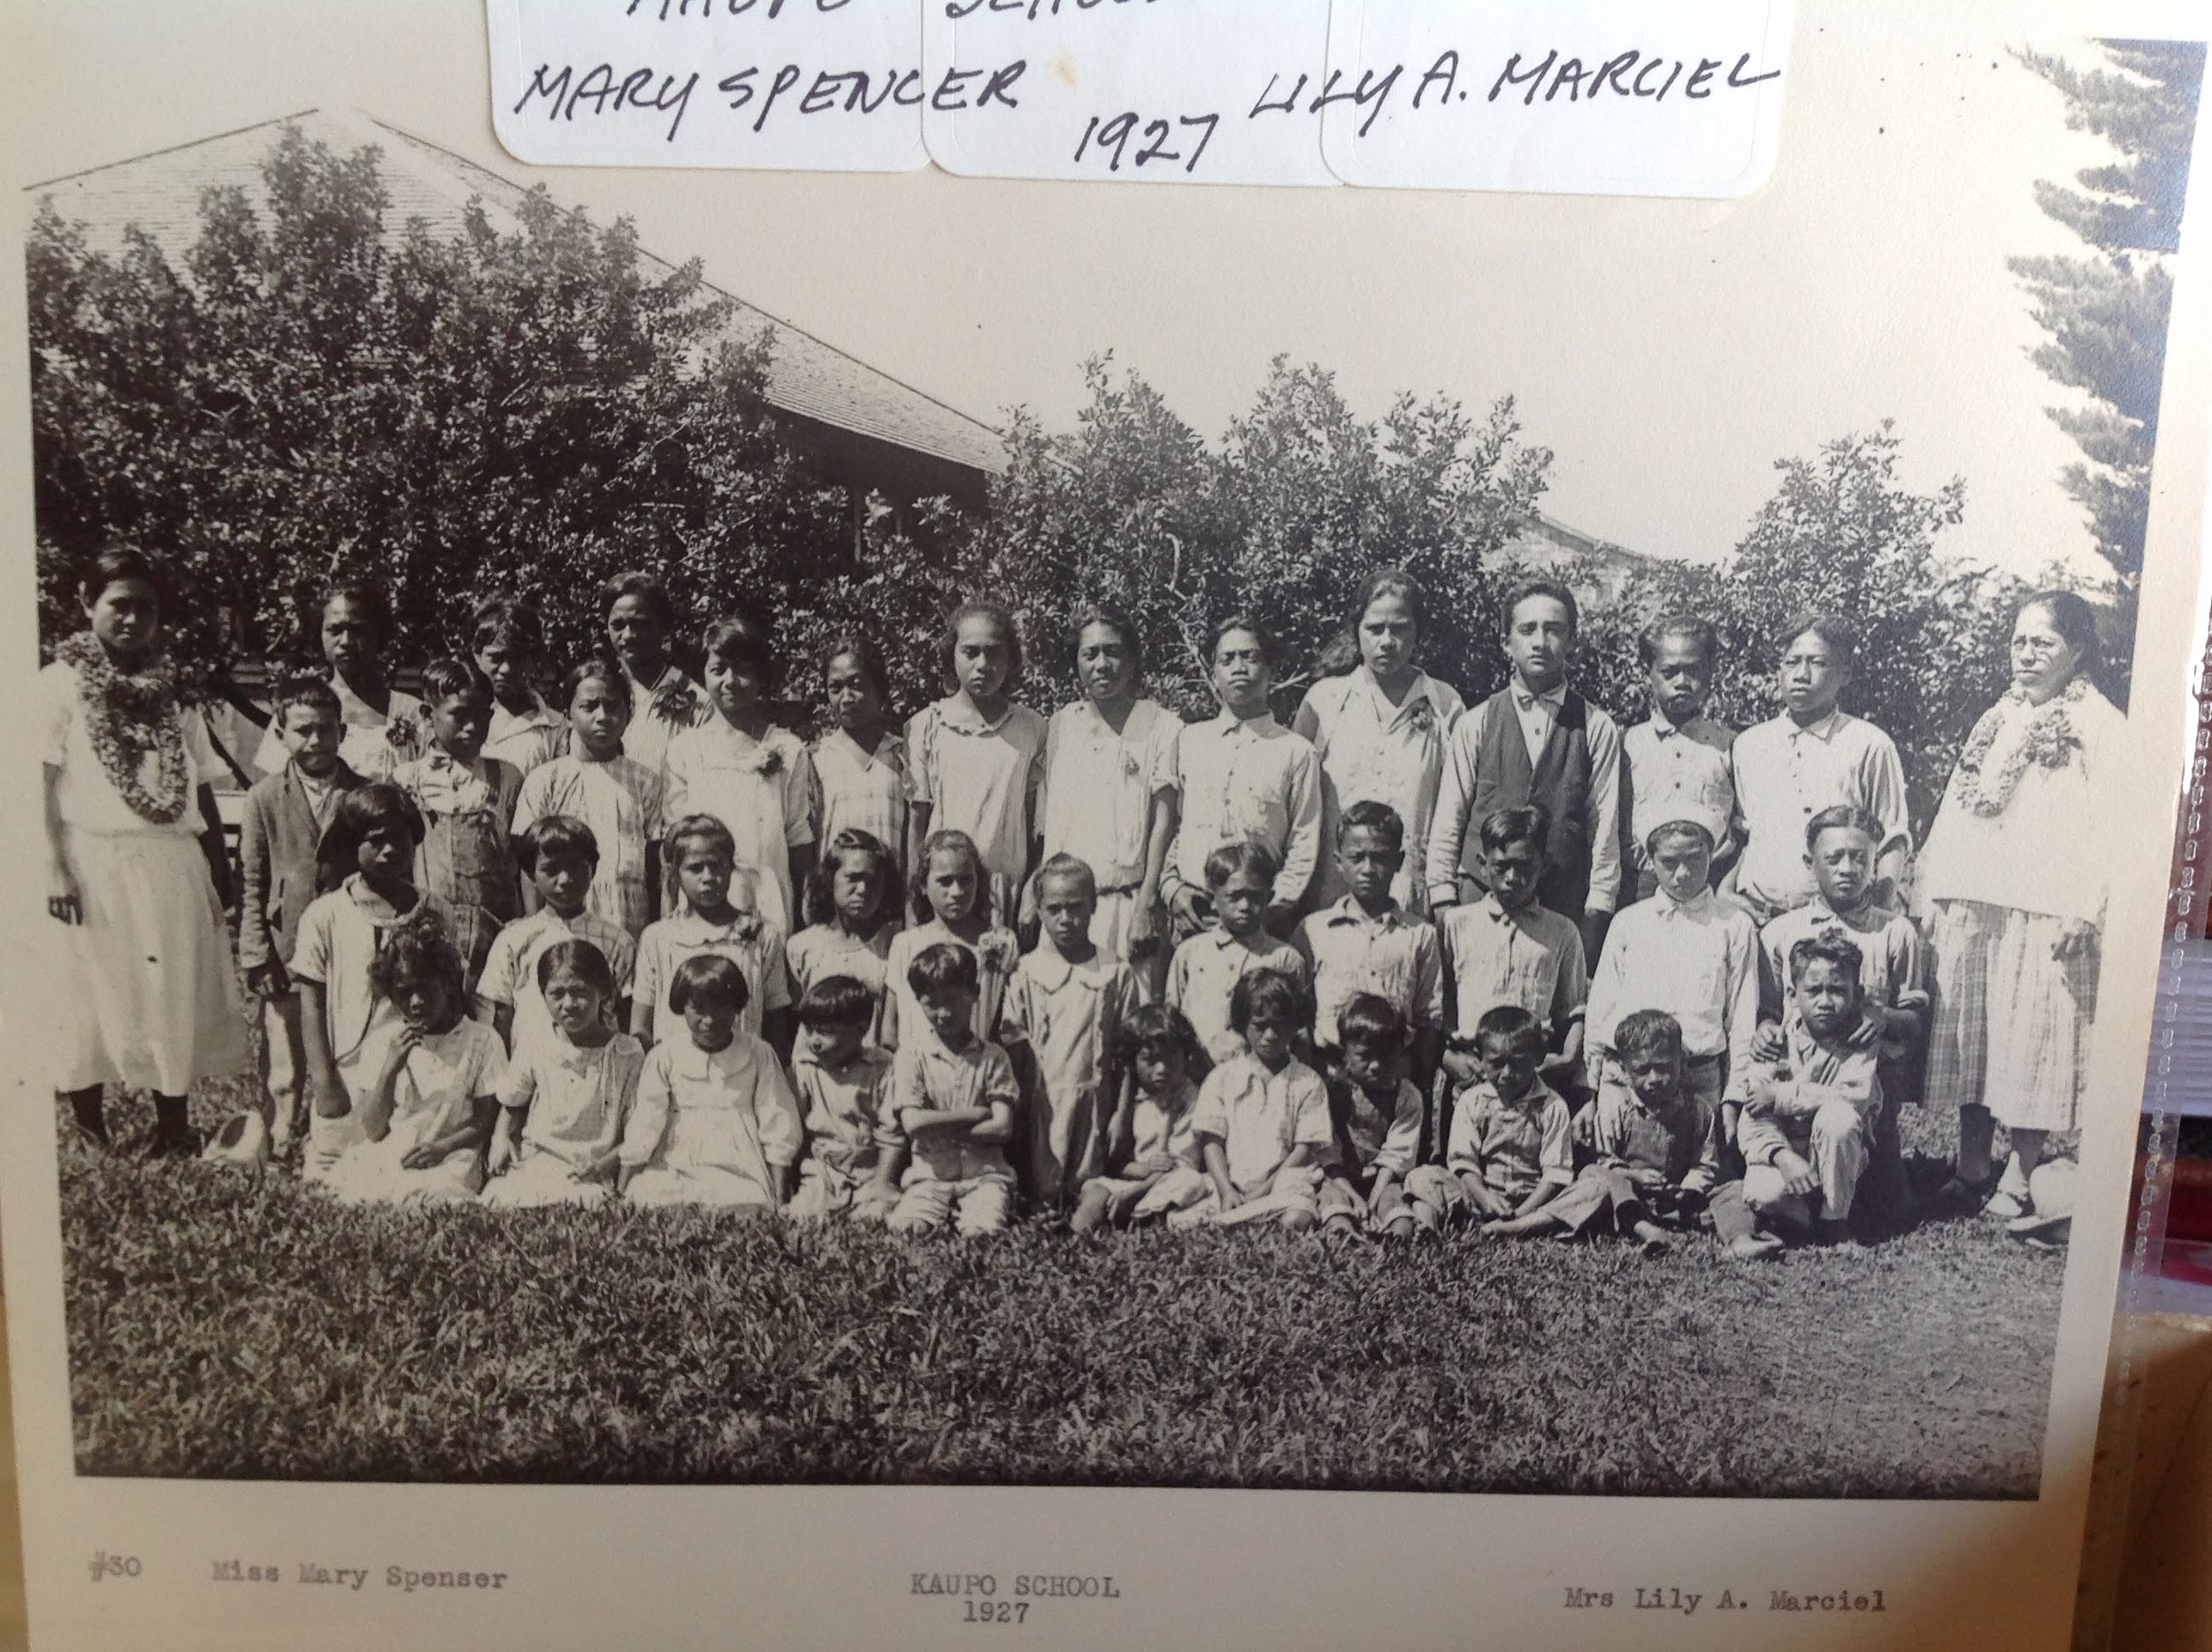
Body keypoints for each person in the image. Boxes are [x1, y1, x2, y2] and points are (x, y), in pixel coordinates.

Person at [1920, 590, 2123, 1226]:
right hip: (1981, 905)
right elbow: (1959, 805)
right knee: (1977, 1042)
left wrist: (2086, 910)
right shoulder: (1996, 716)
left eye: (2044, 642)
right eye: (2019, 641)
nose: (2027, 654)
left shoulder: (2100, 724)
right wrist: (1934, 889)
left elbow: (2117, 830)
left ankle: (2021, 1173)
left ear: (2079, 650)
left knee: (2034, 1043)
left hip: (2047, 910)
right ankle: (1971, 1165)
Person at [42, 546, 251, 1155]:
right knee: (92, 987)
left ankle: (173, 1125)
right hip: (93, 856)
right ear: (87, 603)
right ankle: (90, 1126)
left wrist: (218, 865)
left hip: (169, 858)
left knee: (170, 988)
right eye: (119, 605)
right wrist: (55, 867)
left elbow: (202, 783)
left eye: (147, 609)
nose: (132, 620)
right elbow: (40, 784)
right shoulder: (59, 686)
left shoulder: (172, 693)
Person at [1425, 578, 1624, 962]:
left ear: (1572, 642)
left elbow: (1604, 831)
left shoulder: (1596, 726)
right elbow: (1448, 820)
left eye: (1554, 629)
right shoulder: (1476, 722)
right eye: (1527, 629)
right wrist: (1443, 902)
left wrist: (1595, 914)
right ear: (1506, 642)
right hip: (1478, 902)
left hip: (1560, 907)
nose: (1540, 641)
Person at [290, 784, 451, 1181]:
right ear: (351, 844)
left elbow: (450, 993)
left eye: (401, 840)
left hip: (421, 1069)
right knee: (332, 1174)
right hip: (349, 1072)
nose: (390, 852)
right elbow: (310, 1001)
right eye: (376, 842)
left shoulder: (434, 909)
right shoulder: (324, 915)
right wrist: (324, 1080)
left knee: (408, 1172)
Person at [237, 674, 365, 1154]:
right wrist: (256, 953)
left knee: (347, 1036)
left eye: (326, 730)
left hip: (347, 943)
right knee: (286, 1047)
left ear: (342, 733)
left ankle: (339, 1131)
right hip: (286, 942)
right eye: (303, 730)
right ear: (281, 734)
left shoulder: (363, 794)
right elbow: (251, 881)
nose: (315, 741)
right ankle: (283, 1129)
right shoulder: (263, 799)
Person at [1293, 567, 1465, 918]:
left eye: (1399, 628)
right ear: (1357, 630)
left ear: (1418, 632)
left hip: (1409, 898)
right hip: (1329, 894)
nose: (1387, 641)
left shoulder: (1445, 704)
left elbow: (1456, 810)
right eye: (1375, 629)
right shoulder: (1324, 701)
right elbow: (1292, 797)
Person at [1584, 816, 1759, 1142]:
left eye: (1694, 858)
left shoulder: (1734, 925)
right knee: (1620, 1178)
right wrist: (1590, 1091)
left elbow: (1742, 1018)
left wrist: (1734, 1097)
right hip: (1625, 1080)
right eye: (1669, 862)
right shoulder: (1628, 922)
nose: (1682, 873)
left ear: (1712, 852)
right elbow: (1601, 1010)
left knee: (1696, 1183)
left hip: (1698, 1079)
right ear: (1651, 862)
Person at [1726, 614, 1910, 924]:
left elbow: (1892, 839)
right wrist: (1725, 892)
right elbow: (1745, 835)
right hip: (1757, 918)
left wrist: (1874, 919)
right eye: (1791, 662)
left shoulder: (1869, 744)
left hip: (1837, 923)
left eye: (1818, 663)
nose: (1801, 674)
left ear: (1845, 674)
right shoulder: (1749, 745)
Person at [1036, 602, 1179, 990]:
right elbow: (1052, 822)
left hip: (1127, 907)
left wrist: (1147, 905)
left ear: (1132, 661)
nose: (1102, 663)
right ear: (1077, 663)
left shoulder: (1163, 727)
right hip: (1065, 913)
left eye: (1114, 651)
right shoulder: (1061, 725)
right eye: (1091, 653)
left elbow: (1164, 823)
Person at [320, 913, 505, 1207]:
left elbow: (487, 1118)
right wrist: (390, 1070)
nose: (417, 1002)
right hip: (396, 1148)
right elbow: (373, 1128)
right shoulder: (385, 1041)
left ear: (447, 984)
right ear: (392, 996)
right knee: (361, 1190)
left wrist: (442, 1147)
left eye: (426, 989)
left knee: (437, 1195)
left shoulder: (481, 1040)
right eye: (405, 993)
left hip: (453, 1151)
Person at [1434, 805, 1589, 1150]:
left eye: (1525, 867)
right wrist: (1450, 1060)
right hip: (1470, 1072)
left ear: (1543, 865)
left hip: (1536, 1078)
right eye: (1502, 866)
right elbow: (1436, 1008)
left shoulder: (1561, 931)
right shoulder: (1455, 925)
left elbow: (1575, 1008)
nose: (1512, 878)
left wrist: (1566, 1059)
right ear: (1481, 862)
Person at [1160, 615, 1323, 941]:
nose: (1238, 667)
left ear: (1270, 671)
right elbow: (1175, 828)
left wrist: (1270, 909)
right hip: (1193, 916)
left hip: (1261, 920)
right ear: (1214, 672)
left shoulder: (1295, 751)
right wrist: (1172, 889)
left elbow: (1304, 842)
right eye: (1227, 659)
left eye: (1250, 657)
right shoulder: (1188, 740)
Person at [1512, 1010, 1724, 1251]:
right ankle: (1525, 1225)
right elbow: (1604, 1160)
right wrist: (1635, 1177)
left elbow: (1705, 1164)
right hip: (1625, 1199)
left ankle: (1741, 1239)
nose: (1654, 1078)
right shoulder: (1619, 1107)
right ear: (1625, 1071)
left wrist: (1688, 1189)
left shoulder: (1699, 1111)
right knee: (1594, 1178)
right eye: (1642, 1070)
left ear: (1682, 1064)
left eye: (1663, 1067)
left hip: (1677, 1202)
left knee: (1731, 1192)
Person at [661, 614, 817, 944]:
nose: (730, 681)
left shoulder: (786, 748)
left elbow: (799, 839)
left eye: (743, 669)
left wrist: (805, 919)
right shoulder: (685, 749)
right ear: (703, 675)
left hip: (768, 899)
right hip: (703, 896)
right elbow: (674, 842)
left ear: (761, 676)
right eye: (719, 670)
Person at [1001, 855, 1142, 1210]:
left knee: (1087, 1186)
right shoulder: (1026, 972)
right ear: (1040, 910)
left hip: (1096, 1099)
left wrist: (1122, 1114)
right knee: (1042, 1194)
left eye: (1076, 907)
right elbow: (1013, 1045)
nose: (1066, 919)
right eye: (1055, 909)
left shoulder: (1114, 971)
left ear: (1094, 904)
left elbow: (1128, 1052)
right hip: (1042, 1103)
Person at [1732, 934, 1884, 1249]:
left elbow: (1852, 1099)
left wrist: (1781, 1095)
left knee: (1837, 1119)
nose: (1825, 1001)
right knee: (1766, 1193)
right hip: (1785, 1153)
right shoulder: (1773, 1042)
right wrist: (1783, 1156)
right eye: (1813, 990)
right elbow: (1754, 1114)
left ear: (1856, 994)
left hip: (1836, 1153)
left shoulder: (1859, 1041)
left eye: (1838, 990)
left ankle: (1834, 1222)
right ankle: (1803, 1214)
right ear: (1792, 993)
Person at [618, 954, 803, 1210]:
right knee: (649, 1194)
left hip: (738, 1164)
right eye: (699, 1009)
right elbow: (646, 1122)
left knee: (746, 1202)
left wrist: (780, 1197)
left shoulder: (758, 1053)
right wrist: (623, 1190)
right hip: (678, 1160)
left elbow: (777, 1121)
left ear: (737, 1008)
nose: (710, 1020)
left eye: (721, 1009)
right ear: (682, 1007)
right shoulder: (665, 1056)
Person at [905, 599, 1048, 931]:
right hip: (942, 893)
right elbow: (917, 824)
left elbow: (1035, 823)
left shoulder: (1033, 728)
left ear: (1010, 658)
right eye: (971, 652)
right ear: (952, 655)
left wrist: (1030, 889)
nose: (983, 664)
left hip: (1004, 894)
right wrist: (913, 901)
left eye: (994, 652)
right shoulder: (927, 726)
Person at [481, 940, 645, 1209]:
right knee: (501, 1196)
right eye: (557, 993)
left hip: (592, 1168)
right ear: (543, 995)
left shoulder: (628, 1054)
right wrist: (501, 1138)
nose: (568, 1004)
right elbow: (513, 1103)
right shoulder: (536, 1043)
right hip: (539, 1161)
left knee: (586, 1201)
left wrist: (606, 1164)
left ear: (604, 994)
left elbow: (636, 1133)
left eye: (580, 991)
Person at [393, 657, 525, 990]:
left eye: (481, 716)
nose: (471, 727)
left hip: (496, 931)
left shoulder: (506, 778)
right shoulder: (408, 781)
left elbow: (523, 861)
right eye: (459, 715)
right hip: (427, 932)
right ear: (427, 715)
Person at [511, 657, 664, 941]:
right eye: (589, 706)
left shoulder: (646, 781)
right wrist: (534, 930)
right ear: (568, 712)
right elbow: (528, 866)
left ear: (629, 712)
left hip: (628, 919)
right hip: (562, 921)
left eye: (613, 705)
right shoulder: (546, 780)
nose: (603, 716)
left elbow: (656, 867)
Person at [1295, 800, 1443, 1091]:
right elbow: (1300, 1014)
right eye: (1357, 857)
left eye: (1379, 858)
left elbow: (1429, 1020)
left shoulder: (1420, 935)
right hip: (1330, 1076)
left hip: (1394, 1080)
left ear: (1398, 861)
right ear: (1339, 861)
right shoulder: (1313, 930)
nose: (1368, 869)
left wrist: (1418, 1085)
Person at [884, 942, 1020, 1237]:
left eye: (953, 1000)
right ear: (918, 1001)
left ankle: (976, 1216)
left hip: (985, 1177)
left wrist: (938, 1125)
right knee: (907, 1229)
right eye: (932, 1003)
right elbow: (913, 1124)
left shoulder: (993, 1057)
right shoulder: (911, 1056)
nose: (943, 1013)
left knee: (981, 1232)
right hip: (929, 1177)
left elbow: (1001, 1128)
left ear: (974, 994)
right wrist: (975, 1114)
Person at [1179, 969, 1331, 1231]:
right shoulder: (1222, 1077)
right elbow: (1212, 1140)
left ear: (1295, 1025)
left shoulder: (1308, 1081)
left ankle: (1236, 1219)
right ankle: (1240, 1215)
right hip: (1232, 1185)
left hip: (1283, 1182)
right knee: (1190, 1194)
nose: (1270, 1035)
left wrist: (1263, 1192)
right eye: (1260, 1026)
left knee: (1298, 1217)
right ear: (1241, 1024)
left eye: (1280, 1025)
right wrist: (1227, 1190)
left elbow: (1303, 1149)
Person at [476, 816, 637, 1057]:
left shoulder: (616, 940)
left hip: (598, 1074)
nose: (565, 879)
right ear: (531, 874)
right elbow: (502, 1014)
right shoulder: (515, 938)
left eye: (576, 866)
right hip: (532, 1074)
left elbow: (625, 1014)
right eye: (551, 870)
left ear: (592, 867)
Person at [632, 815, 791, 1050]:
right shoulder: (658, 938)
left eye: (716, 865)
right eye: (695, 868)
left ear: (730, 867)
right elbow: (640, 1027)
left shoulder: (761, 934)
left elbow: (776, 1021)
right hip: (676, 1076)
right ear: (675, 874)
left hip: (742, 1074)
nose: (708, 877)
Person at [1419, 1004, 1577, 1238]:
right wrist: (1485, 1198)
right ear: (1480, 1058)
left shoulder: (1552, 1106)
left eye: (1518, 1063)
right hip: (1481, 1196)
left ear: (1538, 1058)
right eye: (1496, 1063)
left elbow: (1556, 1174)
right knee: (1422, 1177)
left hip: (1536, 1200)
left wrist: (1521, 1213)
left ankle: (1515, 1228)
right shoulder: (1472, 1101)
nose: (1506, 1074)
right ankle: (1425, 1227)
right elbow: (1463, 1162)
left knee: (1594, 1189)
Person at [252, 582, 427, 782]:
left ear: (379, 634)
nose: (346, 641)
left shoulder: (412, 713)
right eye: (335, 630)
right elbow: (269, 788)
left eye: (357, 630)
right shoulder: (298, 707)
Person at [1618, 614, 1738, 902]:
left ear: (1710, 672)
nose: (1682, 682)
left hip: (1713, 889)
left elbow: (1744, 832)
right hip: (1642, 891)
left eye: (1694, 671)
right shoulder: (1626, 744)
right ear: (1649, 672)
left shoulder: (1732, 746)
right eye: (1669, 672)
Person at [1166, 841, 1310, 1067]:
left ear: (1269, 897)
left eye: (1255, 897)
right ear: (1212, 898)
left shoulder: (1284, 958)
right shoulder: (1190, 953)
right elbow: (1171, 1022)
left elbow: (1298, 1034)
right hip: (1198, 1079)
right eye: (1234, 896)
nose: (1244, 905)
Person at [1070, 1003, 1204, 1234]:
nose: (1161, 1069)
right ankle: (1077, 1232)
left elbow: (1185, 1163)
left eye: (1171, 1059)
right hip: (1133, 1184)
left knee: (1192, 1182)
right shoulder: (1133, 1100)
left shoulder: (1194, 1098)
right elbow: (1117, 1165)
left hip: (1168, 1183)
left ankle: (1136, 1219)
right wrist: (1142, 1169)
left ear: (1186, 1055)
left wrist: (1137, 1192)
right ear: (1133, 1062)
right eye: (1150, 1060)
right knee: (1097, 1188)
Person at [882, 829, 1018, 1051]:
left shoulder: (999, 942)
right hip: (916, 1073)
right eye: (945, 881)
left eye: (966, 880)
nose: (957, 892)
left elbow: (1007, 1024)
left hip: (976, 1071)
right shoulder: (905, 944)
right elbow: (890, 1026)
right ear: (924, 886)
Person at [785, 974, 901, 1222]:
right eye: (810, 1031)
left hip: (869, 1169)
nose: (814, 1041)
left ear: (860, 1029)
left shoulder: (881, 1069)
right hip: (822, 1167)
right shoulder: (805, 1068)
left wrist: (883, 1182)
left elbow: (892, 1134)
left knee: (875, 1215)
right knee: (803, 1214)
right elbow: (794, 1132)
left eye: (825, 1032)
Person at [1316, 995, 1426, 1241]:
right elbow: (1327, 1152)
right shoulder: (1332, 1093)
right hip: (1339, 1178)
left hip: (1382, 1179)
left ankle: (1394, 1236)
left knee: (1398, 1212)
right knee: (1333, 1202)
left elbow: (1397, 1156)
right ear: (1346, 1052)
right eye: (1365, 1056)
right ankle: (1342, 1230)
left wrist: (1375, 1199)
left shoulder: (1407, 1097)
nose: (1376, 1065)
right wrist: (1355, 1198)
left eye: (1386, 1055)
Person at [786, 828, 902, 1044]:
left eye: (873, 880)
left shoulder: (895, 944)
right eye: (853, 878)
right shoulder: (801, 946)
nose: (863, 889)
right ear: (831, 879)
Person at [809, 633, 910, 870]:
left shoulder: (904, 755)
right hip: (836, 898)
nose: (846, 698)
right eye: (835, 688)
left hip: (891, 896)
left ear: (880, 690)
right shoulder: (816, 758)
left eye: (857, 685)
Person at [601, 570, 707, 772]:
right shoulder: (602, 695)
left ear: (664, 628)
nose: (628, 635)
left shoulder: (696, 702)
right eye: (618, 625)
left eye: (640, 624)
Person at [472, 595, 565, 776]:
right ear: (477, 656)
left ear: (534, 660)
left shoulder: (555, 728)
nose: (506, 669)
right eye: (496, 657)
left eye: (517, 658)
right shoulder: (458, 718)